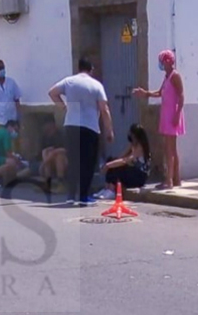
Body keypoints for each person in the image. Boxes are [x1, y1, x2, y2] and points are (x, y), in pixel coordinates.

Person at [48, 58, 114, 205]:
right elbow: (104, 109)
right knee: (88, 163)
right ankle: (84, 196)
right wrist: (109, 130)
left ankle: (71, 196)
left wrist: (63, 106)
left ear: (79, 68)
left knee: (73, 161)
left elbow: (52, 92)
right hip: (89, 127)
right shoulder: (96, 85)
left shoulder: (69, 82)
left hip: (71, 125)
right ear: (91, 69)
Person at [133, 49, 185, 189]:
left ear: (168, 61)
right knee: (172, 149)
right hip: (167, 113)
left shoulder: (175, 76)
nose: (160, 64)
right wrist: (146, 93)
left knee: (169, 149)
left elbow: (181, 96)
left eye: (162, 61)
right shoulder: (167, 77)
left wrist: (177, 115)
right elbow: (160, 92)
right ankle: (176, 178)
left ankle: (168, 180)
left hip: (172, 115)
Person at [97, 123, 151, 199]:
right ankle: (107, 187)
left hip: (139, 177)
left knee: (120, 167)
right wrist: (112, 162)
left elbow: (125, 161)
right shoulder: (133, 145)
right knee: (112, 160)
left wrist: (108, 165)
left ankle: (111, 190)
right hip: (133, 172)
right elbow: (121, 157)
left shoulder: (140, 147)